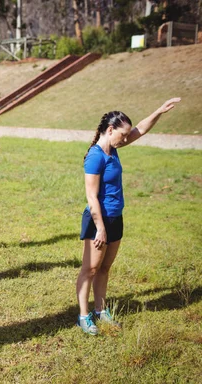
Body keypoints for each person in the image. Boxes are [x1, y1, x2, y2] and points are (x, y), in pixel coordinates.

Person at [76, 98, 181, 335]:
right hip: (98, 220)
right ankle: (83, 316)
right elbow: (92, 197)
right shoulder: (96, 156)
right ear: (110, 130)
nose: (126, 139)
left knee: (105, 268)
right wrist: (100, 228)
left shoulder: (113, 148)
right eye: (122, 135)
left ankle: (101, 311)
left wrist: (159, 111)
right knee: (90, 269)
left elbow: (140, 129)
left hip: (116, 217)